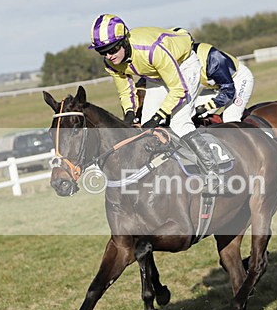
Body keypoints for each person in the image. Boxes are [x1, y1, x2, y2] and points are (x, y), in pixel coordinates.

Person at [89, 14, 221, 189]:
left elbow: (178, 90)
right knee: (145, 128)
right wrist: (129, 114)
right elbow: (125, 91)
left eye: (112, 49)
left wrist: (159, 116)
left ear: (124, 42)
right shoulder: (111, 63)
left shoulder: (151, 50)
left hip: (184, 65)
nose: (109, 55)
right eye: (102, 52)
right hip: (156, 74)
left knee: (179, 122)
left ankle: (214, 172)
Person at [189, 39, 254, 123]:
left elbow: (228, 90)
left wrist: (207, 107)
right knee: (191, 115)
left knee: (230, 119)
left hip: (237, 79)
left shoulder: (213, 58)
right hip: (215, 85)